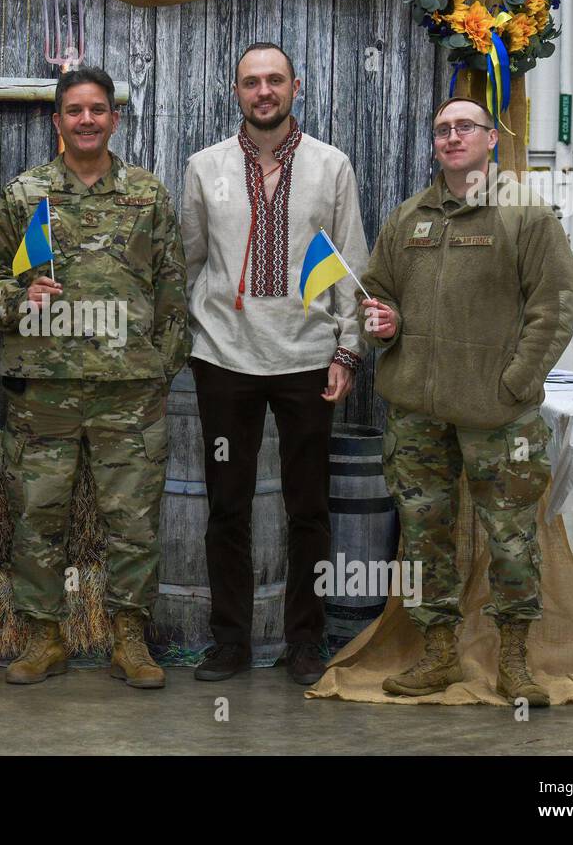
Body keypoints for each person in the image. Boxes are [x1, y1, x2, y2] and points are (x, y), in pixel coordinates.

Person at [358, 97, 573, 707]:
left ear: (489, 139)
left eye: (465, 127)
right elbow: (375, 292)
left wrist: (515, 383)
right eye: (442, 129)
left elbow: (555, 307)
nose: (453, 137)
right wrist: (381, 322)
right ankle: (437, 653)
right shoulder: (408, 218)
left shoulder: (525, 215)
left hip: (499, 416)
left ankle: (514, 655)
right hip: (416, 414)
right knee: (425, 534)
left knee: (511, 538)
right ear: (435, 143)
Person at [0, 66, 189, 689]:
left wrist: (161, 366)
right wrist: (18, 300)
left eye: (98, 110)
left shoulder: (147, 194)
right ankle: (45, 637)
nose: (87, 120)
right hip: (44, 390)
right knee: (36, 517)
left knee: (134, 520)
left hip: (130, 392)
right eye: (75, 111)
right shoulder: (24, 195)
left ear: (115, 118)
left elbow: (172, 287)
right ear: (58, 120)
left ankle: (129, 637)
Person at [180, 43, 368, 686]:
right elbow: (189, 260)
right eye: (251, 82)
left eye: (275, 80)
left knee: (308, 508)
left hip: (307, 359)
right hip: (225, 358)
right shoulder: (206, 167)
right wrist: (189, 338)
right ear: (236, 91)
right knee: (227, 506)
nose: (264, 91)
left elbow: (350, 263)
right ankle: (229, 641)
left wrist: (348, 347)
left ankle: (305, 642)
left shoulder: (330, 166)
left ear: (296, 86)